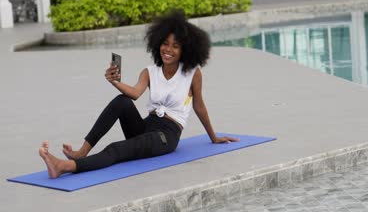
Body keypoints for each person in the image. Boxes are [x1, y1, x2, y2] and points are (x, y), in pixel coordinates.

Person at [39, 11, 239, 179]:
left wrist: (214, 137)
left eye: (175, 46)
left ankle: (64, 167)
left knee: (117, 149)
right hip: (145, 127)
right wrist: (115, 81)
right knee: (122, 102)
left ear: (185, 50)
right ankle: (82, 152)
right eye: (165, 44)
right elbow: (134, 94)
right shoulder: (150, 71)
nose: (168, 49)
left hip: (166, 136)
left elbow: (199, 106)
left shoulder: (192, 73)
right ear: (158, 43)